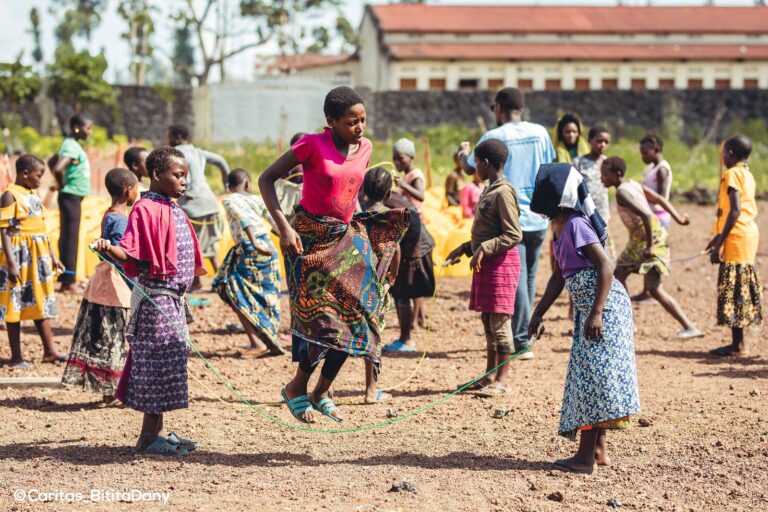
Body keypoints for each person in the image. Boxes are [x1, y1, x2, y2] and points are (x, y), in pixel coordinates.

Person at [258, 86, 409, 424]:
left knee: (358, 315)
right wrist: (284, 227)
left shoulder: (366, 148)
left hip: (342, 236)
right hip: (307, 239)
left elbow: (350, 194)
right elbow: (266, 179)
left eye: (363, 120)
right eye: (352, 122)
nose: (360, 128)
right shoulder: (311, 144)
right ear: (331, 121)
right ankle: (297, 387)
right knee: (323, 319)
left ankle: (322, 390)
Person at [93, 146, 206, 456]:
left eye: (186, 176)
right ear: (157, 175)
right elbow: (130, 251)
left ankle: (156, 432)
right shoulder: (145, 208)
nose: (184, 181)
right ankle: (147, 438)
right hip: (157, 301)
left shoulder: (171, 208)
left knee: (168, 363)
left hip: (172, 301)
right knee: (156, 366)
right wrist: (107, 247)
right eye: (178, 175)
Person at [528, 163, 640, 475]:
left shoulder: (576, 224)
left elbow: (605, 265)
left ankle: (584, 457)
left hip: (604, 308)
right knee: (593, 376)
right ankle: (599, 450)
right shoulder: (559, 227)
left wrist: (596, 312)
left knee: (593, 379)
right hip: (590, 308)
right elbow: (558, 276)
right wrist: (537, 314)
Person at [459, 87, 555, 359]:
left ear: (499, 108)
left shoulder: (494, 136)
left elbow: (471, 168)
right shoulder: (540, 133)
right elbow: (549, 167)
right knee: (529, 277)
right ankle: (524, 332)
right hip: (539, 214)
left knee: (516, 280)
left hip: (510, 217)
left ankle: (521, 340)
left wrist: (460, 155)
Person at [447, 139, 522, 397]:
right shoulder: (490, 189)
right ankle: (489, 374)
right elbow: (488, 231)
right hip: (487, 264)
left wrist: (484, 249)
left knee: (500, 322)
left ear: (486, 163)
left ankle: (503, 379)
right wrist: (466, 247)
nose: (474, 167)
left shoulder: (503, 192)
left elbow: (513, 234)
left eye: (475, 162)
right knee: (488, 321)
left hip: (501, 265)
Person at [600, 156, 703, 339]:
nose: (602, 178)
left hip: (648, 238)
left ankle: (689, 326)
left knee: (653, 287)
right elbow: (659, 200)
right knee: (621, 275)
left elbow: (647, 216)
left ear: (616, 174)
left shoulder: (622, 193)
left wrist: (650, 247)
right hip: (641, 239)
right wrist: (679, 219)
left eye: (604, 174)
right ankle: (628, 323)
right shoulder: (632, 184)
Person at [61, 168, 138, 404]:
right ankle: (114, 391)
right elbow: (119, 256)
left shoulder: (109, 214)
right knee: (115, 339)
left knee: (108, 338)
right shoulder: (120, 219)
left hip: (104, 283)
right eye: (136, 188)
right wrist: (136, 287)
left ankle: (110, 390)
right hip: (116, 288)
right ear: (128, 191)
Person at [0, 155, 67, 367]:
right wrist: (11, 264)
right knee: (15, 303)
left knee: (40, 302)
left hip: (38, 258)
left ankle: (50, 351)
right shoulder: (10, 195)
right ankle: (16, 356)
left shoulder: (32, 194)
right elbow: (5, 231)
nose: (41, 180)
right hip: (18, 258)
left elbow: (41, 229)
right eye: (39, 176)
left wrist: (53, 256)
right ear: (25, 174)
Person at [212, 169, 284, 358]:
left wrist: (254, 243)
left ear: (229, 187)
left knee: (232, 291)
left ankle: (257, 342)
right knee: (267, 295)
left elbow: (244, 221)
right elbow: (276, 222)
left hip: (251, 249)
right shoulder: (257, 200)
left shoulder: (229, 199)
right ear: (247, 184)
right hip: (267, 247)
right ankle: (268, 338)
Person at [706, 135, 762, 356]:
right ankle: (738, 342)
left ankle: (738, 344)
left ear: (729, 153)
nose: (722, 157)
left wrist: (720, 243)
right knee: (740, 284)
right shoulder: (746, 174)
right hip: (746, 234)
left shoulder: (731, 174)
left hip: (737, 237)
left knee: (735, 286)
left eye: (723, 153)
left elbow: (735, 210)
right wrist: (716, 238)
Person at [375, 170, 436, 355]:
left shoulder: (393, 201)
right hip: (407, 246)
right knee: (399, 292)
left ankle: (406, 339)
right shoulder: (382, 198)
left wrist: (414, 255)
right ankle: (404, 337)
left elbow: (414, 219)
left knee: (403, 291)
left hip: (416, 246)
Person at [360, 167, 405, 403]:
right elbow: (395, 248)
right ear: (388, 193)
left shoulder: (355, 215)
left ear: (364, 190)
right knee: (373, 334)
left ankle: (328, 390)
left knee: (343, 334)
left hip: (353, 278)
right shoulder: (390, 217)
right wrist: (393, 274)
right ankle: (371, 390)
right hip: (376, 284)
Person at [168, 124, 230, 291]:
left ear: (177, 137)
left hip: (194, 206)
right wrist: (226, 182)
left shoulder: (178, 152)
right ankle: (217, 281)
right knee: (208, 246)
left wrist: (190, 192)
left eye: (170, 135)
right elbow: (221, 161)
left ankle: (215, 282)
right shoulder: (198, 151)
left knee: (192, 244)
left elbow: (191, 174)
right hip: (210, 203)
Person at [52, 114, 93, 293]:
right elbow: (57, 167)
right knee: (71, 239)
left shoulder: (69, 144)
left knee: (67, 236)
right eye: (87, 128)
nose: (89, 132)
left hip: (70, 196)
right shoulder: (72, 146)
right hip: (70, 196)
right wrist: (61, 185)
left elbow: (52, 161)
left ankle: (65, 277)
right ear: (76, 127)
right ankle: (69, 282)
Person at [633, 134, 674, 303]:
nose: (643, 156)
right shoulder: (652, 167)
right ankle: (647, 290)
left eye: (645, 152)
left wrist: (640, 195)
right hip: (650, 215)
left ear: (656, 150)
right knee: (647, 252)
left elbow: (662, 197)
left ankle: (654, 290)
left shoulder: (662, 169)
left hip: (659, 217)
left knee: (653, 251)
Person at [573, 126, 613, 255]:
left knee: (604, 251)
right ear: (590, 140)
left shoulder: (608, 163)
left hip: (602, 214)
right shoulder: (579, 162)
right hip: (584, 214)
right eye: (599, 141)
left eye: (606, 142)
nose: (602, 145)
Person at [393, 138, 426, 214]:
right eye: (394, 159)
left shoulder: (415, 175)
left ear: (411, 157)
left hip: (415, 217)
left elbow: (421, 196)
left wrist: (403, 185)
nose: (396, 162)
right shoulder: (407, 174)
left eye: (400, 158)